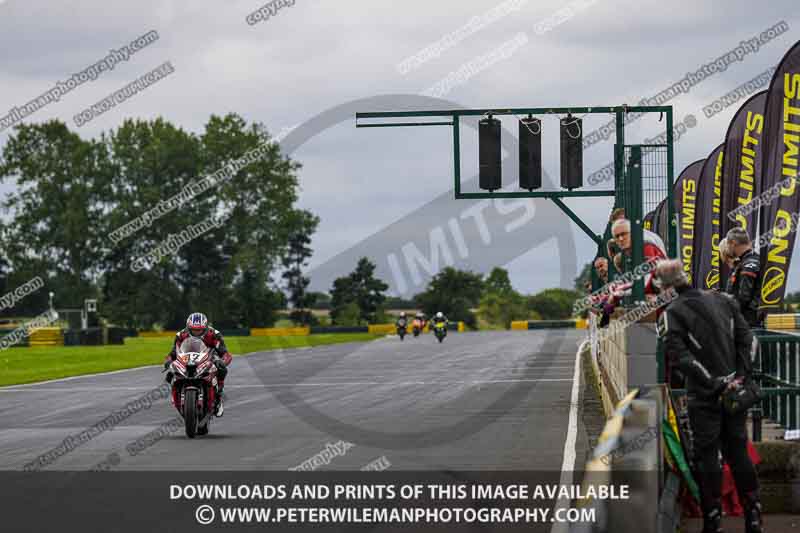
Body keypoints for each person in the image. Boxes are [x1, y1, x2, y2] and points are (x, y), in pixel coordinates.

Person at [655, 259, 763, 533]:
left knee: (706, 456)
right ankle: (753, 516)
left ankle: (712, 520)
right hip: (734, 390)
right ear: (686, 276)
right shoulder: (723, 299)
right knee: (738, 452)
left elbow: (682, 358)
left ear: (663, 287)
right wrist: (739, 378)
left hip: (704, 396)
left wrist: (715, 384)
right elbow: (748, 340)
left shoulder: (671, 313)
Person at [164, 312, 232, 416]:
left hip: (208, 358)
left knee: (222, 369)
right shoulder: (181, 335)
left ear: (205, 328)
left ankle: (218, 396)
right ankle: (176, 395)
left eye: (199, 330)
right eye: (194, 330)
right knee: (170, 374)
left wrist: (222, 362)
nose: (196, 332)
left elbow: (225, 353)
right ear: (188, 328)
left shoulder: (214, 334)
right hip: (186, 358)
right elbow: (173, 352)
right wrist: (168, 360)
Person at [725, 227, 763, 328]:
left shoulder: (749, 263)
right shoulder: (744, 261)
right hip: (747, 323)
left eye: (727, 245)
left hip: (749, 325)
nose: (727, 249)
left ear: (733, 243)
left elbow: (743, 297)